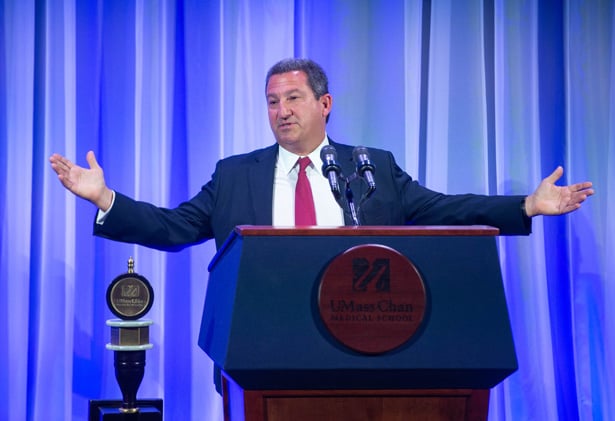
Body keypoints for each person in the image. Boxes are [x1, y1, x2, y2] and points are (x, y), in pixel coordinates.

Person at [49, 58, 594, 251]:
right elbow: (172, 228)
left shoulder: (370, 167)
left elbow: (443, 209)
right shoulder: (236, 176)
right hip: (260, 347)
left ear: (324, 103)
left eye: (293, 98)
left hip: (363, 344)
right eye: (271, 102)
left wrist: (525, 204)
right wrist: (105, 198)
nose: (281, 110)